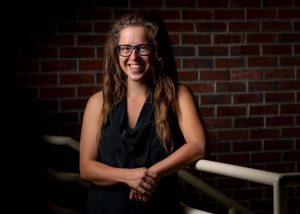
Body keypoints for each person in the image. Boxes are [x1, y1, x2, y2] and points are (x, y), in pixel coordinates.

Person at [79, 11, 206, 214]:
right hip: (104, 208)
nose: (134, 56)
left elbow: (198, 146)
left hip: (157, 207)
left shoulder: (178, 95)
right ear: (116, 52)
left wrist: (151, 174)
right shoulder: (98, 102)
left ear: (155, 51)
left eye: (142, 48)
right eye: (126, 48)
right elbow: (86, 167)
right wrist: (128, 176)